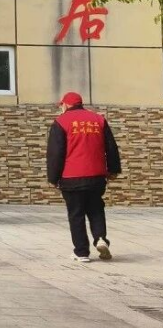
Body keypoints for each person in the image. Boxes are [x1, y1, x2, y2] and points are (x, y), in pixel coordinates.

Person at [47, 92, 122, 263]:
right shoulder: (98, 120)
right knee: (96, 209)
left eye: (62, 105)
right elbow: (111, 147)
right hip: (96, 176)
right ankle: (100, 238)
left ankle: (81, 252)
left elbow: (55, 153)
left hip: (71, 177)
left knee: (76, 214)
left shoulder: (61, 122)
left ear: (66, 105)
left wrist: (53, 178)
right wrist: (113, 170)